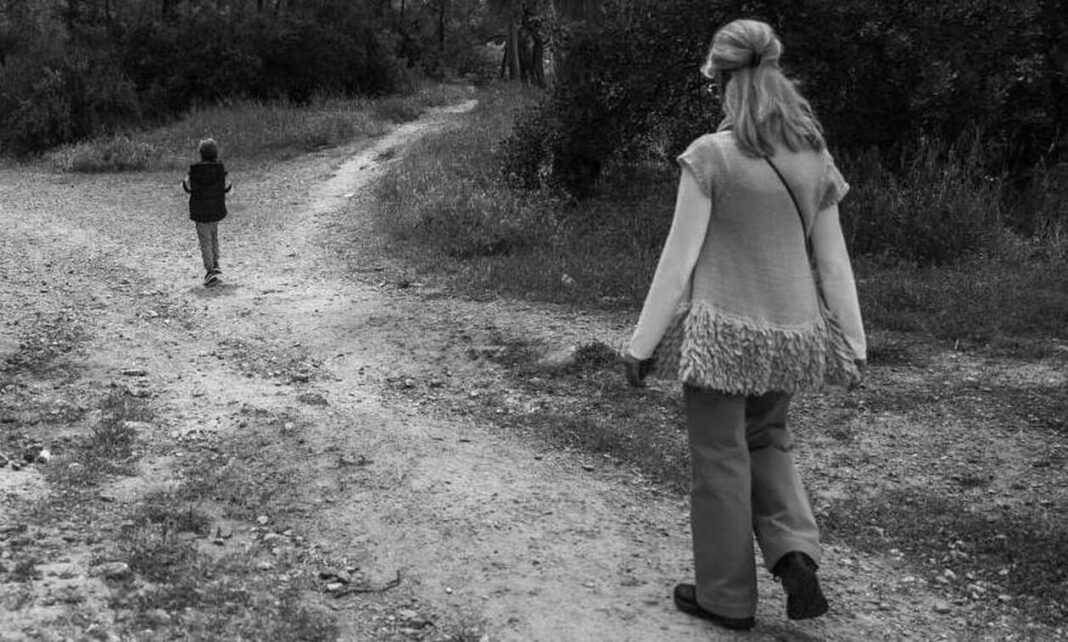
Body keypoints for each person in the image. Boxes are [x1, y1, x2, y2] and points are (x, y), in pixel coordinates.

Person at [622, 19, 866, 631]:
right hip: (792, 336)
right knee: (769, 440)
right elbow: (834, 262)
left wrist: (642, 345)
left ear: (723, 80)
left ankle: (726, 598)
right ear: (776, 71)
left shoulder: (712, 156)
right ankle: (794, 552)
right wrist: (855, 342)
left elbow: (677, 261)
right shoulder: (813, 156)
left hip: (721, 339)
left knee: (720, 459)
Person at [182, 138, 232, 287]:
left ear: (201, 154)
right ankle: (215, 263)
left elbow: (186, 187)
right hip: (216, 209)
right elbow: (228, 187)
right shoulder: (220, 169)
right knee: (214, 236)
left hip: (200, 211)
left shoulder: (194, 170)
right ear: (216, 153)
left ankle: (209, 271)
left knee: (205, 240)